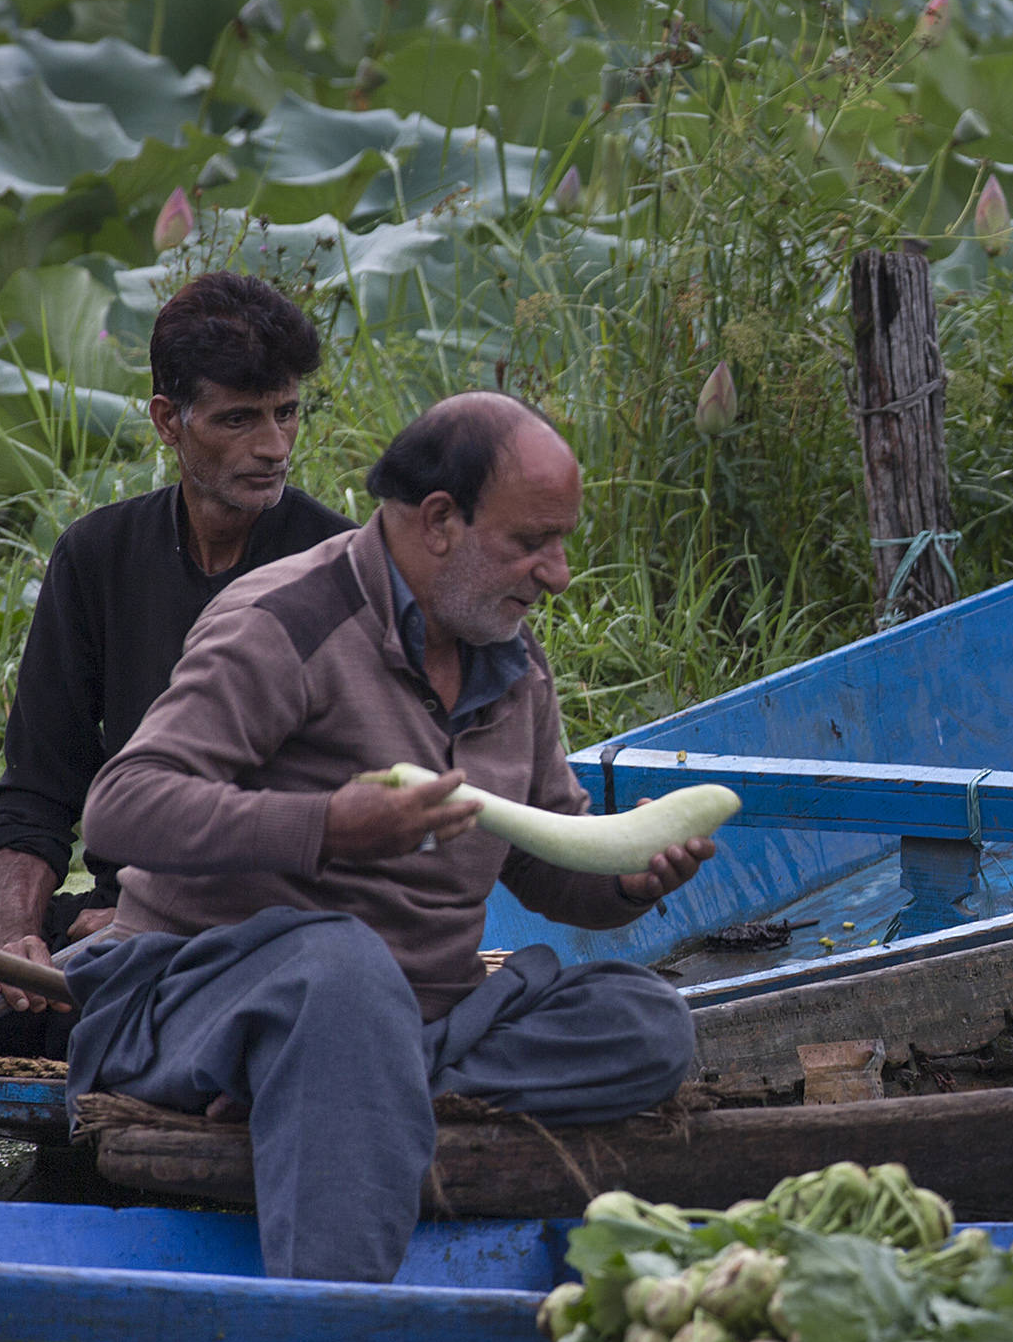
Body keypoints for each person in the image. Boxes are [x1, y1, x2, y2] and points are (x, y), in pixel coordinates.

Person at [68, 392, 705, 1282]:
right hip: (198, 994)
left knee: (647, 1022)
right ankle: (338, 1327)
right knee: (342, 971)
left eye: (563, 541)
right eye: (531, 542)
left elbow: (546, 860)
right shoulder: (285, 622)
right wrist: (327, 826)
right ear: (439, 519)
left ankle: (334, 1082)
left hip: (419, 1018)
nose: (557, 573)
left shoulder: (513, 666)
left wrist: (625, 883)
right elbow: (123, 806)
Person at [0, 272, 351, 1055]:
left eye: (286, 413)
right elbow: (37, 787)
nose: (275, 446)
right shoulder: (96, 556)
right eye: (240, 419)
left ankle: (112, 1021)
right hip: (102, 925)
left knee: (234, 982)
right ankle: (82, 1016)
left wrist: (161, 917)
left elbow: (343, 828)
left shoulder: (337, 570)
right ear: (167, 421)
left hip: (252, 930)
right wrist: (15, 942)